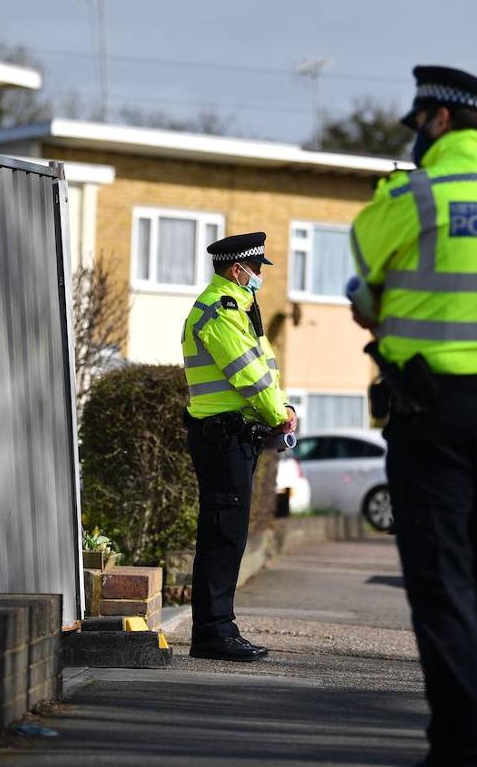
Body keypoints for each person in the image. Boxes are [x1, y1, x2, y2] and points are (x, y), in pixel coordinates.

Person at [349, 66, 477, 766]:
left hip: (431, 415)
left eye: (418, 127)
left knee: (442, 580)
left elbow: (364, 259)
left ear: (436, 120)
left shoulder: (414, 194)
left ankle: (463, 748)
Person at [181, 231, 297, 662]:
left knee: (228, 534)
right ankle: (212, 633)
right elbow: (246, 373)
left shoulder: (240, 309)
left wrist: (279, 405)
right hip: (223, 437)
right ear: (237, 270)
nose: (258, 278)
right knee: (222, 535)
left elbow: (264, 372)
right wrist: (278, 414)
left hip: (233, 437)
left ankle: (220, 628)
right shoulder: (222, 311)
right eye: (255, 271)